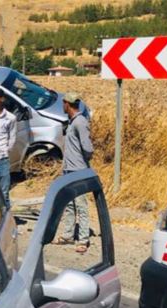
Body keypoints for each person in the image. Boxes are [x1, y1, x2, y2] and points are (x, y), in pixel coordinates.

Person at [57, 92, 94, 254]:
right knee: (69, 205)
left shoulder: (80, 122)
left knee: (81, 205)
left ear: (67, 104)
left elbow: (88, 148)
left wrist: (81, 162)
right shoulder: (72, 122)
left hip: (78, 171)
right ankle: (67, 235)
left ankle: (83, 239)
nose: (62, 106)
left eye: (63, 103)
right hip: (68, 170)